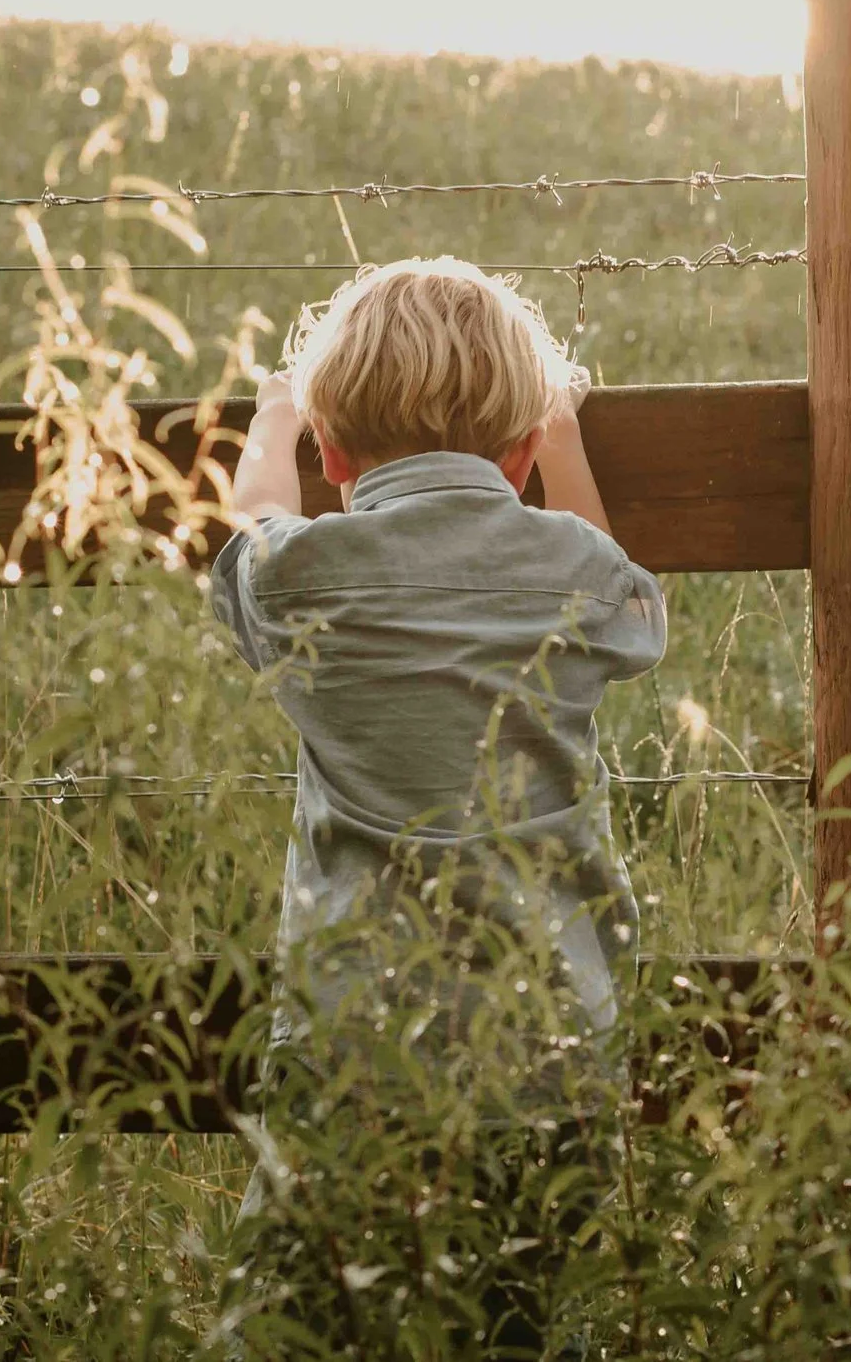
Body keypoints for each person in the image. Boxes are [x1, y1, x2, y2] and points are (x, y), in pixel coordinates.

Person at [213, 255, 666, 1356]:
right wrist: (565, 439)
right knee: (524, 1313)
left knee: (309, 1318)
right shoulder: (580, 570)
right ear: (521, 452)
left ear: (332, 451)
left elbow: (252, 515)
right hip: (549, 1038)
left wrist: (272, 414)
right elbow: (618, 585)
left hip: (353, 1049)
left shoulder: (299, 579)